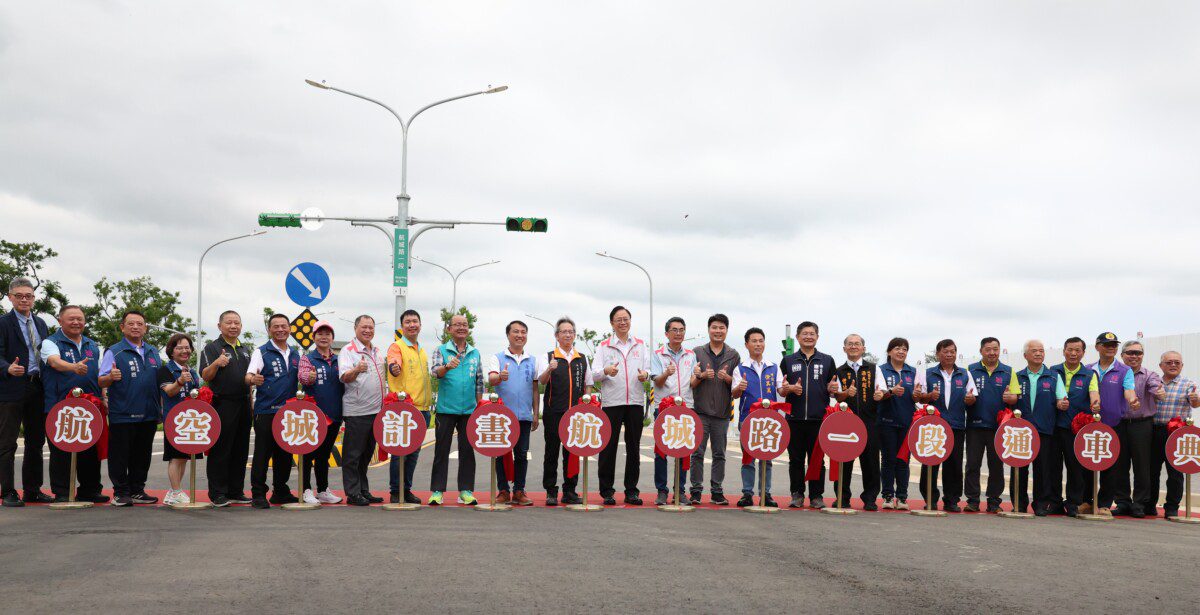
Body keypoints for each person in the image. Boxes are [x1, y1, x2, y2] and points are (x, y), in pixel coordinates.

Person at [39, 305, 107, 503]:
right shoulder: (51, 342)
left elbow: (96, 375)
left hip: (89, 406)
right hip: (60, 407)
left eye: (80, 319)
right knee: (61, 450)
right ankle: (61, 492)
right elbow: (54, 362)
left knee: (89, 449)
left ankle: (90, 489)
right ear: (60, 320)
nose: (76, 322)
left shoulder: (92, 345)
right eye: (71, 319)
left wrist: (104, 394)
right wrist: (74, 367)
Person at [99, 310, 162, 506]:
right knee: (120, 455)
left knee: (142, 455)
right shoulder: (114, 351)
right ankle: (120, 492)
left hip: (149, 413)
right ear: (122, 327)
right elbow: (101, 380)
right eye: (131, 323)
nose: (135, 327)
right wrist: (110, 378)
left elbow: (158, 382)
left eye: (140, 324)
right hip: (123, 413)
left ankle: (137, 490)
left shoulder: (153, 352)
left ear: (145, 328)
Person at [0, 276, 52, 506]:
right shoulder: (3, 323)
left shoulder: (41, 323)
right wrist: (7, 367)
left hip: (36, 385)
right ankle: (8, 491)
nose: (24, 299)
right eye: (19, 295)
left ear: (33, 298)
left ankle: (33, 490)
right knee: (7, 442)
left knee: (36, 441)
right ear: (10, 297)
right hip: (11, 387)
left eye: (28, 296)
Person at [594, 305, 651, 506]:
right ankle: (607, 491)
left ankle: (631, 491)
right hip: (612, 403)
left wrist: (645, 375)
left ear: (630, 321)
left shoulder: (641, 345)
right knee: (608, 448)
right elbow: (594, 374)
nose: (623, 322)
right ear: (612, 323)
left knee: (633, 448)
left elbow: (648, 370)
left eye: (626, 318)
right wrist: (606, 371)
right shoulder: (603, 346)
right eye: (618, 319)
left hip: (635, 402)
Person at [779, 321, 838, 509]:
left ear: (817, 337)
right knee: (795, 459)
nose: (808, 337)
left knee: (817, 460)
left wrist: (832, 389)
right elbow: (781, 389)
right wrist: (787, 389)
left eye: (812, 333)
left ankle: (816, 495)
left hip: (818, 418)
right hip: (794, 418)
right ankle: (796, 494)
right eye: (804, 333)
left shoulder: (827, 360)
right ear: (797, 337)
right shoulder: (788, 361)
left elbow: (833, 388)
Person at [245, 313, 301, 509]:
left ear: (290, 329)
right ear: (269, 330)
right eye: (275, 326)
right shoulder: (262, 352)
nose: (280, 330)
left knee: (285, 454)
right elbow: (249, 375)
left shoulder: (295, 353)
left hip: (288, 413)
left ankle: (280, 491)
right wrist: (254, 379)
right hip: (266, 411)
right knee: (262, 454)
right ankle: (258, 493)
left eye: (283, 326)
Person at [198, 310, 253, 507]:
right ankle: (218, 493)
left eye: (237, 323)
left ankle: (236, 490)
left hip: (244, 403)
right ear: (219, 326)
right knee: (221, 449)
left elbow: (250, 380)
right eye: (229, 322)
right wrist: (216, 363)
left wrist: (252, 406)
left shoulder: (245, 348)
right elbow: (205, 375)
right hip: (223, 404)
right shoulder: (212, 347)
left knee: (241, 449)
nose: (233, 326)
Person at [536, 316, 593, 506]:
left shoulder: (581, 358)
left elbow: (588, 384)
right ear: (556, 335)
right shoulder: (549, 356)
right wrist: (550, 369)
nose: (567, 334)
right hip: (554, 412)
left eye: (571, 332)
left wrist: (585, 404)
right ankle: (551, 491)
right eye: (563, 332)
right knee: (551, 451)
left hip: (575, 414)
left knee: (572, 453)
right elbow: (541, 381)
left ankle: (570, 490)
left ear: (575, 335)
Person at [429, 314, 484, 506]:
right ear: (449, 329)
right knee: (441, 451)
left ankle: (466, 491)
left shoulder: (475, 353)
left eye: (465, 324)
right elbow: (435, 373)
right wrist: (447, 366)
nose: (461, 327)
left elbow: (479, 381)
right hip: (445, 409)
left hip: (469, 410)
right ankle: (437, 491)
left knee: (467, 451)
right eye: (457, 325)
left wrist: (480, 408)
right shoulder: (441, 350)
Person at [1081, 332, 1138, 518]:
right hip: (1090, 426)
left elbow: (1129, 390)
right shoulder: (1088, 370)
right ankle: (1087, 502)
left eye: (1114, 345)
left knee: (1111, 466)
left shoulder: (1124, 370)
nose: (1111, 348)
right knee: (1087, 463)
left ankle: (1104, 504)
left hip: (1114, 425)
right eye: (1107, 345)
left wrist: (1133, 400)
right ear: (1097, 347)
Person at [917, 339, 977, 512]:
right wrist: (929, 396)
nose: (949, 354)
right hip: (933, 426)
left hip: (957, 425)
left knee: (954, 464)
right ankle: (930, 498)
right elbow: (919, 398)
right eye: (945, 351)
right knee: (930, 462)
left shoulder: (965, 374)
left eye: (952, 351)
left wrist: (970, 399)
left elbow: (973, 396)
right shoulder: (928, 373)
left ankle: (952, 500)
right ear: (938, 354)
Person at [688, 313, 740, 506]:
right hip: (700, 412)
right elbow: (691, 384)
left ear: (727, 330)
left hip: (722, 413)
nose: (718, 331)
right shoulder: (696, 352)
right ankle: (696, 491)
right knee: (697, 453)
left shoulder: (733, 355)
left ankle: (717, 490)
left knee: (720, 454)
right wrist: (701, 375)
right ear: (708, 329)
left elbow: (736, 388)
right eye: (714, 327)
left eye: (722, 328)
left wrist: (727, 378)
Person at [1012, 340, 1068, 516]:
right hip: (1021, 430)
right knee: (1019, 468)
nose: (1038, 354)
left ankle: (1042, 504)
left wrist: (1062, 404)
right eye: (1034, 351)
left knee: (1043, 469)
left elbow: (1061, 398)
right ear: (1025, 355)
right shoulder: (1017, 376)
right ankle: (1019, 504)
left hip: (1044, 429)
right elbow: (1011, 399)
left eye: (1041, 351)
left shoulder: (1053, 376)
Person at [486, 320, 539, 506]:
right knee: (500, 453)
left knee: (522, 454)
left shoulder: (532, 360)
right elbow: (491, 379)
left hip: (524, 415)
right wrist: (500, 376)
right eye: (515, 331)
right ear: (508, 335)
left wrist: (535, 413)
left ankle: (519, 490)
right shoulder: (498, 357)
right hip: (502, 416)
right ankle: (503, 491)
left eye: (523, 332)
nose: (520, 335)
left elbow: (535, 388)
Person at [730, 327, 783, 507]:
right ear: (747, 345)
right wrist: (740, 387)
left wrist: (789, 388)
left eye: (761, 340)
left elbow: (781, 389)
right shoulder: (740, 368)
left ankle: (766, 494)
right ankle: (747, 493)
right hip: (748, 419)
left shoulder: (773, 367)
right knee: (748, 458)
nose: (758, 344)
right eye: (754, 341)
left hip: (770, 421)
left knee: (767, 459)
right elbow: (735, 394)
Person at [338, 315, 387, 506]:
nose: (367, 331)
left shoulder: (376, 351)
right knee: (353, 455)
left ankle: (363, 490)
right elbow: (344, 377)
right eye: (364, 327)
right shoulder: (348, 351)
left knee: (366, 454)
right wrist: (357, 369)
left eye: (371, 327)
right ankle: (352, 493)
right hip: (357, 412)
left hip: (376, 411)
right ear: (355, 328)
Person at [966, 337, 1018, 513]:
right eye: (988, 349)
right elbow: (965, 395)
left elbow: (1016, 396)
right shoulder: (970, 370)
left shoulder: (1009, 371)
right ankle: (972, 500)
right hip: (975, 425)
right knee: (973, 464)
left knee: (996, 466)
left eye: (995, 349)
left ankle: (994, 501)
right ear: (981, 351)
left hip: (998, 428)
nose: (992, 352)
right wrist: (968, 399)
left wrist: (1012, 398)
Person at [1050, 337, 1100, 517]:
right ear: (1063, 351)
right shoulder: (1052, 371)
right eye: (1070, 349)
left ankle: (1073, 503)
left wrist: (1096, 405)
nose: (1073, 353)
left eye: (1077, 350)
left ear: (1083, 353)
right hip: (1054, 427)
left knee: (1075, 468)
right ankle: (1054, 502)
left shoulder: (1089, 374)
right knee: (1053, 467)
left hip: (1076, 429)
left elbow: (1094, 395)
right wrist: (1056, 403)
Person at [1112, 339, 1162, 518]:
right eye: (1130, 353)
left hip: (1142, 425)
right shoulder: (1115, 374)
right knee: (1119, 465)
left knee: (1142, 466)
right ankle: (1122, 502)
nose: (1134, 356)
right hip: (1118, 424)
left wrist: (1159, 391)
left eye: (1138, 353)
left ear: (1142, 355)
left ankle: (1140, 503)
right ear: (1122, 355)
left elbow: (1156, 387)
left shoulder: (1150, 375)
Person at [650, 316, 697, 505]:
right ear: (666, 333)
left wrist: (700, 377)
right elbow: (656, 381)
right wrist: (666, 373)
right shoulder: (658, 354)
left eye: (681, 330)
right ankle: (662, 491)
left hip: (686, 408)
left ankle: (680, 490)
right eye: (674, 330)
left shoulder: (691, 355)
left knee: (683, 451)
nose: (678, 333)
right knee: (662, 451)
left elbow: (693, 382)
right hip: (664, 407)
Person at [874, 337, 925, 510]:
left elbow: (919, 396)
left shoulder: (913, 371)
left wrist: (918, 394)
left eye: (904, 349)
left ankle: (902, 497)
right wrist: (891, 391)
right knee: (888, 460)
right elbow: (879, 394)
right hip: (886, 421)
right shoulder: (881, 370)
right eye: (897, 348)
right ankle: (888, 496)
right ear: (889, 352)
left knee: (903, 460)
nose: (901, 351)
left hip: (907, 422)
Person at [386, 309, 430, 505]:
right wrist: (394, 368)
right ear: (402, 327)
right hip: (404, 409)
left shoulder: (422, 350)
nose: (412, 325)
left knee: (413, 453)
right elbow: (394, 365)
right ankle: (396, 490)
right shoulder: (397, 347)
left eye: (415, 321)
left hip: (423, 409)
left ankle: (406, 489)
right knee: (400, 451)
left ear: (420, 325)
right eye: (408, 322)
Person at [298, 321, 343, 506]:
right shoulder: (308, 358)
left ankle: (323, 490)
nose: (324, 337)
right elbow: (302, 376)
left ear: (332, 338)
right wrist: (308, 377)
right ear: (314, 337)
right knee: (308, 453)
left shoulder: (339, 359)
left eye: (327, 334)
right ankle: (305, 490)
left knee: (324, 454)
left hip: (334, 414)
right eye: (320, 334)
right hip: (314, 416)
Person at [833, 334, 880, 510]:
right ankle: (842, 497)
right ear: (844, 348)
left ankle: (870, 499)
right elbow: (836, 396)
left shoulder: (874, 369)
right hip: (846, 423)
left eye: (857, 344)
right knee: (844, 461)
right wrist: (845, 393)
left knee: (871, 462)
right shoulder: (838, 371)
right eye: (850, 344)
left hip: (870, 421)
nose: (853, 347)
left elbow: (881, 390)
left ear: (863, 348)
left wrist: (880, 394)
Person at [1151, 351, 1200, 519]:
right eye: (1169, 362)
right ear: (1161, 365)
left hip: (1177, 434)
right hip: (1154, 431)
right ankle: (1149, 504)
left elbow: (1196, 403)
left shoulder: (1188, 384)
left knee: (1175, 473)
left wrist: (1195, 399)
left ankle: (1172, 506)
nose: (1173, 365)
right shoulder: (1154, 383)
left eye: (1177, 363)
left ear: (1182, 365)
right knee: (1151, 471)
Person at [158, 333, 201, 506]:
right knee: (175, 458)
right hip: (174, 420)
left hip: (190, 421)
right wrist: (180, 381)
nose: (184, 351)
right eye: (179, 348)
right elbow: (168, 391)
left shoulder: (192, 371)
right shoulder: (164, 370)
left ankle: (173, 492)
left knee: (184, 458)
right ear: (171, 351)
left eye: (187, 347)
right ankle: (176, 491)